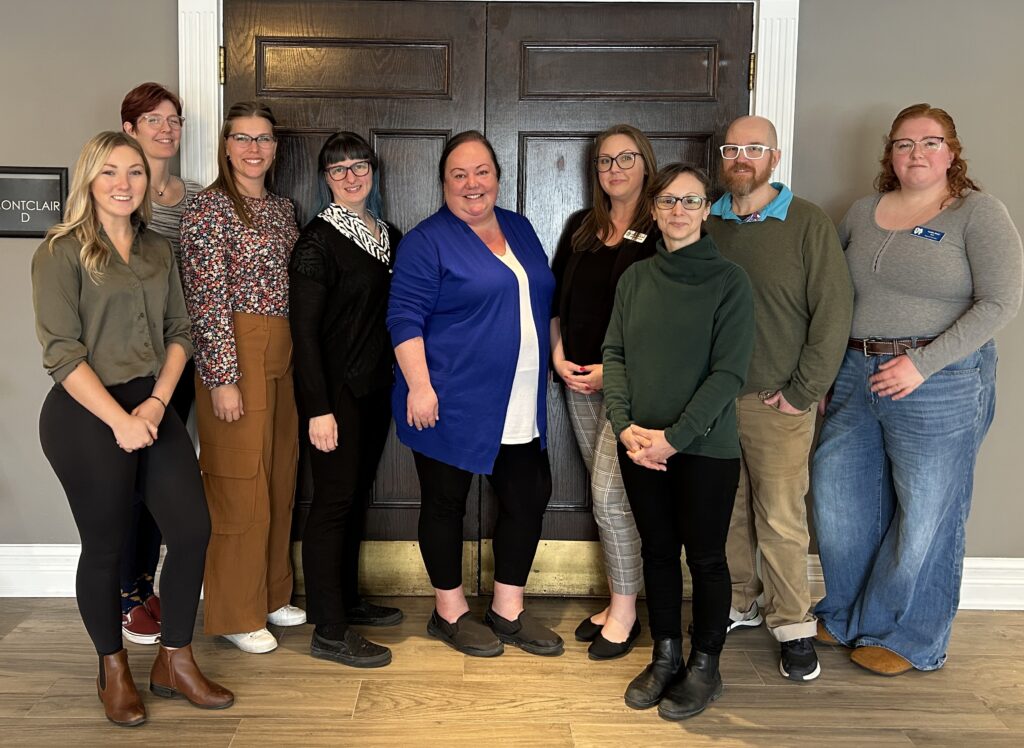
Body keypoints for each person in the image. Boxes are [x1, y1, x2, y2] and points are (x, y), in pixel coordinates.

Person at [812, 104, 1023, 676]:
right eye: (904, 144)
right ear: (890, 154)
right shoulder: (860, 212)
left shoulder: (978, 213)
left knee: (929, 510)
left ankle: (909, 635)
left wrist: (922, 365)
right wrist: (829, 370)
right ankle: (850, 614)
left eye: (931, 143)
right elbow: (834, 299)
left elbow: (1001, 302)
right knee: (840, 503)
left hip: (940, 381)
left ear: (952, 152)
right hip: (856, 373)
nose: (917, 153)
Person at [32, 131, 233, 727]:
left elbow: (181, 331)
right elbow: (62, 355)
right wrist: (120, 419)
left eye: (135, 173)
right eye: (110, 172)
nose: (124, 184)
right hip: (85, 414)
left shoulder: (155, 250)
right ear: (89, 180)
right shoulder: (60, 252)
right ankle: (112, 667)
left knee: (193, 529)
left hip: (151, 404)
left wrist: (154, 406)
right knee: (108, 545)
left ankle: (175, 660)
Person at [387, 130, 561, 658]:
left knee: (527, 497)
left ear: (497, 177)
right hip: (448, 398)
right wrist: (419, 385)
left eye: (481, 171)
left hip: (519, 397)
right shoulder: (427, 239)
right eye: (458, 174)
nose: (471, 184)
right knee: (445, 503)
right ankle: (449, 612)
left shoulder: (520, 227)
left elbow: (542, 299)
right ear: (443, 183)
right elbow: (404, 317)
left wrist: (556, 356)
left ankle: (508, 610)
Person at [706, 115, 853, 682]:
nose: (741, 157)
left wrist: (802, 393)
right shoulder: (707, 222)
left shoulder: (807, 222)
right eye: (732, 148)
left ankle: (793, 625)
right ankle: (740, 602)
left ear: (774, 156)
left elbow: (833, 314)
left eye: (753, 148)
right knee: (726, 514)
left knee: (782, 520)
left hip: (777, 404)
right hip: (715, 404)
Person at [604, 163, 754, 720]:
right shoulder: (635, 279)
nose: (678, 211)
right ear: (655, 209)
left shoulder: (729, 282)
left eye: (690, 202)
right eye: (668, 201)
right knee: (659, 553)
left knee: (707, 559)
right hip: (639, 443)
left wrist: (676, 439)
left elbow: (728, 374)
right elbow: (614, 355)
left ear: (707, 209)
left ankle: (704, 666)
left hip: (704, 450)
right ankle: (666, 656)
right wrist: (624, 427)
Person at [180, 101, 304, 654]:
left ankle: (271, 593)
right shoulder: (208, 209)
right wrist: (222, 376)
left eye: (264, 139)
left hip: (282, 351)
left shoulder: (284, 211)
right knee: (238, 483)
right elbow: (204, 300)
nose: (254, 148)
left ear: (275, 148)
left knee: (278, 475)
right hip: (235, 352)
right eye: (243, 138)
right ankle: (234, 609)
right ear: (226, 146)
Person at [289, 132, 404, 668]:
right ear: (326, 179)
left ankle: (348, 601)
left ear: (373, 172)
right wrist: (317, 408)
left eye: (360, 166)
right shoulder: (316, 241)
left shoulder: (388, 236)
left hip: (373, 391)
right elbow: (304, 335)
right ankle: (329, 629)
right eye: (339, 170)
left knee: (356, 497)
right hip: (333, 395)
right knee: (332, 504)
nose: (351, 176)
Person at [550, 124, 658, 659]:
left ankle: (625, 611)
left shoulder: (663, 227)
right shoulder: (582, 228)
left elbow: (671, 323)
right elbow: (554, 301)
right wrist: (557, 353)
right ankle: (621, 598)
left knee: (612, 497)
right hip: (577, 383)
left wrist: (611, 374)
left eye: (625, 158)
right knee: (609, 496)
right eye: (604, 161)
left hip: (630, 389)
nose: (614, 169)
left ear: (646, 163)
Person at [116, 81, 205, 646]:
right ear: (128, 130)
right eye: (154, 119)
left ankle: (146, 583)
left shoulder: (194, 197)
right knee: (125, 479)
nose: (167, 128)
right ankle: (126, 592)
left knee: (162, 479)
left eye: (173, 119)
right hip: (128, 364)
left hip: (181, 356)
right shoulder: (118, 195)